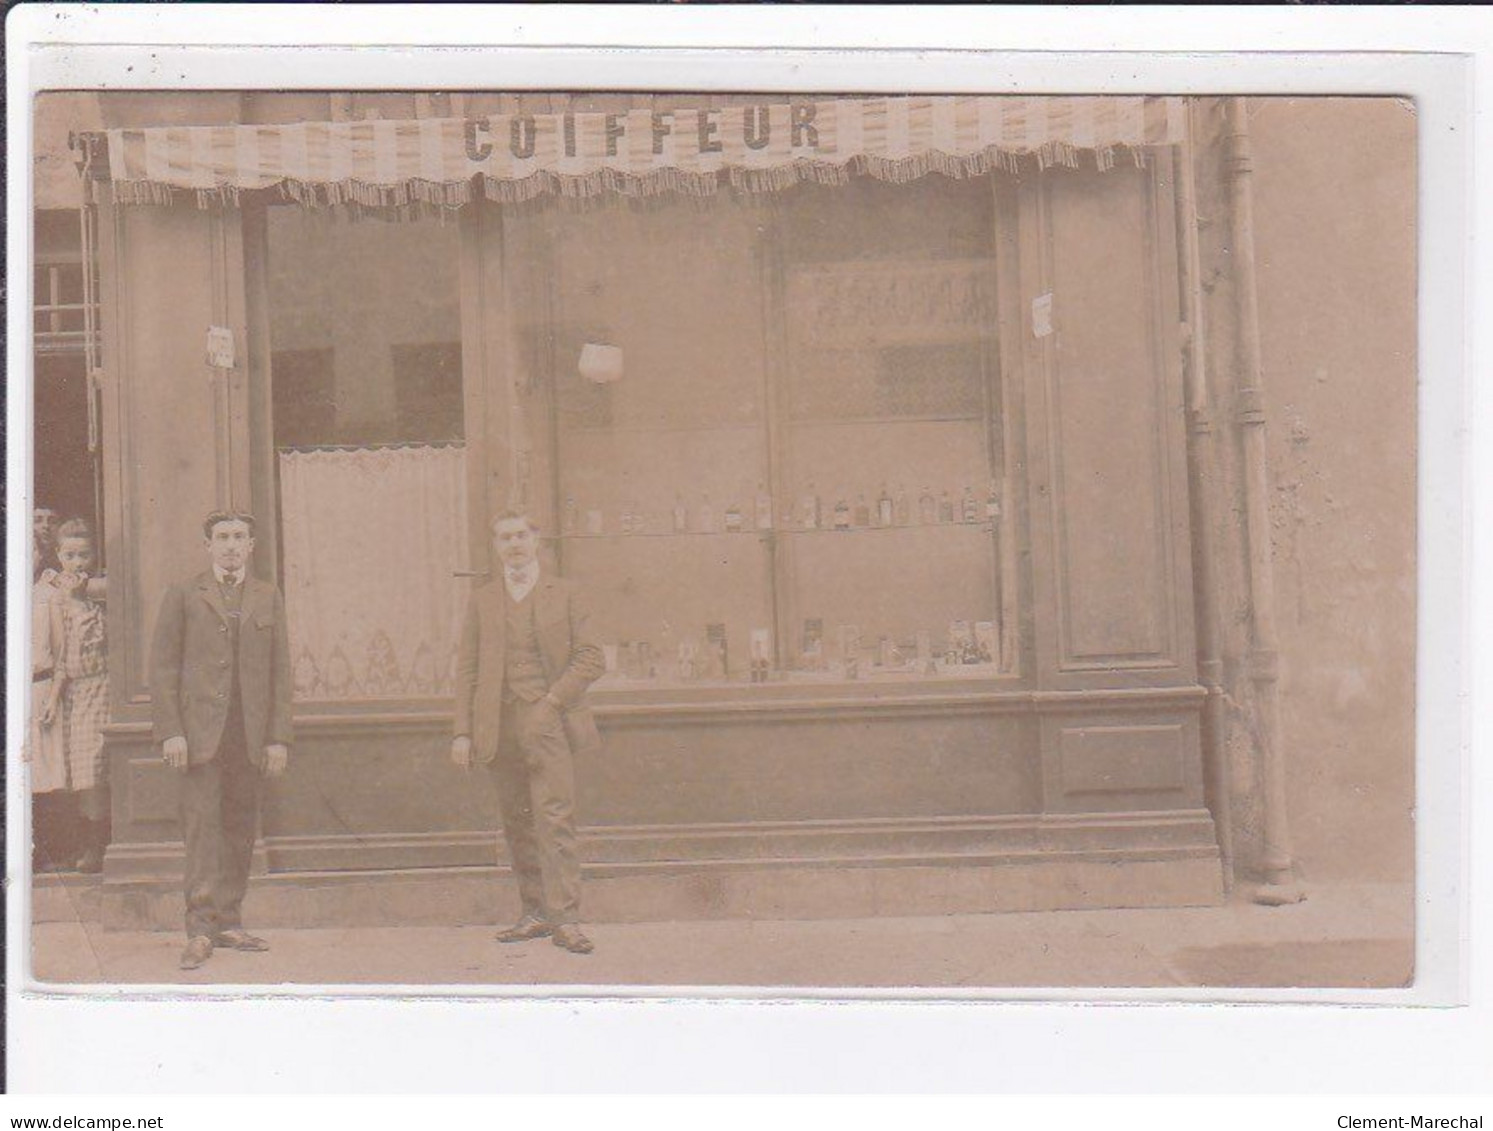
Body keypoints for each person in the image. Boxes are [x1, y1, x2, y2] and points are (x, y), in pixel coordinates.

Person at [452, 510, 605, 954]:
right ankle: (534, 913)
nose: (513, 545)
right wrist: (462, 731)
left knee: (555, 820)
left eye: (521, 535)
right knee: (516, 821)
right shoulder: (483, 599)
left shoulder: (567, 594)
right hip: (497, 727)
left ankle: (567, 920)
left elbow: (592, 658)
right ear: (496, 546)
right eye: (504, 538)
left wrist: (553, 702)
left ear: (536, 540)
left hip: (550, 724)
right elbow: (467, 669)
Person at [150, 511, 292, 971]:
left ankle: (229, 920)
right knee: (201, 829)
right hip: (198, 736)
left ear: (251, 545)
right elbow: (164, 668)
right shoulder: (185, 595)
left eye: (239, 538)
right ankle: (199, 930)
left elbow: (280, 673)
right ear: (207, 545)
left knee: (239, 827)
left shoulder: (267, 595)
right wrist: (172, 730)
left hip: (247, 736)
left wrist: (277, 738)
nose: (231, 546)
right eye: (222, 538)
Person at [39, 519, 110, 872]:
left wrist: (80, 603)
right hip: (69, 692)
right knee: (67, 773)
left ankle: (96, 848)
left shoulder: (97, 594)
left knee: (90, 770)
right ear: (58, 555)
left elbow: (94, 652)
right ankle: (76, 844)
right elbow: (61, 654)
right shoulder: (55, 594)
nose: (77, 563)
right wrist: (53, 699)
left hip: (96, 687)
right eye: (70, 555)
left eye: (83, 555)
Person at [27, 508, 70, 871]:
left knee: (43, 772)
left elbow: (60, 655)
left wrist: (54, 697)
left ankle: (46, 850)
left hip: (40, 691)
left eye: (33, 550)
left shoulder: (48, 595)